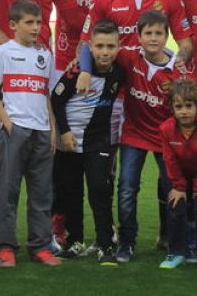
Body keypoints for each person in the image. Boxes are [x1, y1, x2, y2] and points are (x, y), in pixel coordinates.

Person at [77, 10, 178, 264]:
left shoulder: (177, 70)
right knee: (127, 189)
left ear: (166, 36)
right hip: (134, 134)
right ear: (138, 37)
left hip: (165, 138)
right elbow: (87, 48)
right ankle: (127, 242)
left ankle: (174, 241)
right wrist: (85, 70)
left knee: (172, 189)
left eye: (158, 33)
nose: (153, 38)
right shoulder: (129, 56)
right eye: (148, 33)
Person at [0, 0, 62, 267]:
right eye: (29, 22)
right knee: (8, 191)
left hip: (42, 131)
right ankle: (6, 247)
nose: (35, 27)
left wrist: (52, 129)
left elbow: (47, 94)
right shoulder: (4, 52)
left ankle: (40, 246)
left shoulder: (45, 54)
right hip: (15, 129)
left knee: (41, 192)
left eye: (39, 22)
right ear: (13, 25)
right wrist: (7, 123)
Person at [51, 20, 127, 264]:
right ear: (91, 47)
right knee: (71, 192)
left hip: (98, 141)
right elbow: (56, 99)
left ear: (118, 47)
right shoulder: (76, 71)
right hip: (70, 141)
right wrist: (64, 132)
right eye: (100, 46)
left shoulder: (119, 72)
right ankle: (75, 241)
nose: (105, 52)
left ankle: (105, 244)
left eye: (110, 47)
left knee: (99, 191)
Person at [158, 78, 197, 270]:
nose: (184, 111)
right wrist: (178, 187)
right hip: (176, 175)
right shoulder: (165, 129)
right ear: (172, 108)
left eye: (189, 106)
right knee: (175, 206)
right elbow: (170, 160)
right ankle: (176, 252)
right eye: (179, 107)